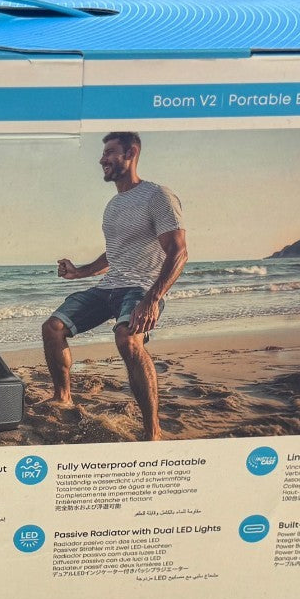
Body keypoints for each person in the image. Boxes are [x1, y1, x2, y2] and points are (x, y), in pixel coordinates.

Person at [42, 132, 187, 441]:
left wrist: (152, 299)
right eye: (103, 153)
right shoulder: (113, 206)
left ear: (130, 153)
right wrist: (80, 272)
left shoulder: (158, 196)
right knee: (53, 328)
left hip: (141, 288)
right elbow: (114, 254)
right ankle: (63, 397)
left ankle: (152, 431)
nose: (102, 159)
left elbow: (178, 252)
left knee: (128, 339)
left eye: (109, 152)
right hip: (109, 287)